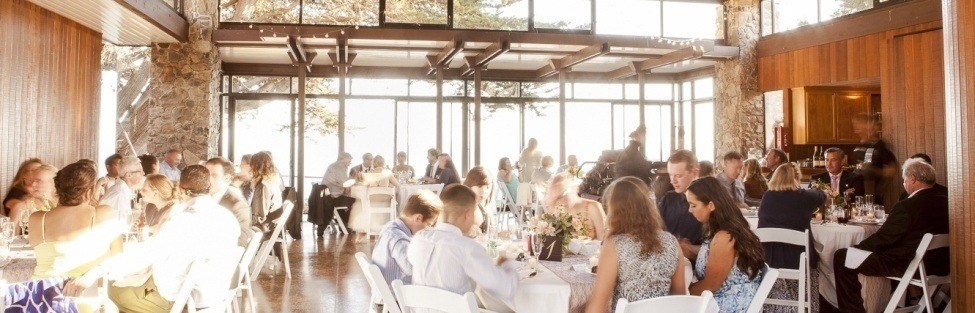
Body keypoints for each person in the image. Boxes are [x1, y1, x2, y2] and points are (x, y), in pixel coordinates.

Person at [64, 165, 241, 312]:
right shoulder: (228, 219)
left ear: (179, 188)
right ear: (209, 187)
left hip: (178, 301)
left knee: (110, 290)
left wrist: (96, 272)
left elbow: (147, 254)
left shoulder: (183, 220)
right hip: (215, 296)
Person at [833, 159, 949, 313]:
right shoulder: (947, 201)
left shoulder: (907, 206)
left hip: (909, 265)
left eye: (904, 180)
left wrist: (857, 248)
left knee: (842, 256)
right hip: (942, 265)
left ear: (913, 178)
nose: (904, 184)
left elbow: (884, 239)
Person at [406, 184, 519, 305]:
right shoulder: (468, 248)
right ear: (468, 214)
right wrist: (507, 264)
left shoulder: (419, 239)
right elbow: (507, 289)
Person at [586, 178, 685, 312]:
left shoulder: (615, 244)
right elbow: (679, 297)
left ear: (614, 210)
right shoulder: (671, 242)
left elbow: (597, 307)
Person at [686, 177, 766, 312]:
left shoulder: (724, 237)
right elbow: (712, 255)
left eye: (693, 205)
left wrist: (682, 291)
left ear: (711, 205)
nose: (690, 210)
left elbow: (711, 285)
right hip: (729, 300)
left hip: (727, 305)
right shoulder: (724, 229)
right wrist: (687, 249)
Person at [29, 163, 123, 279]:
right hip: (87, 293)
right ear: (90, 192)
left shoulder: (36, 219)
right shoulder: (104, 213)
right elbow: (118, 257)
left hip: (41, 293)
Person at [758, 163, 826, 269]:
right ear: (797, 177)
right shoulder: (805, 196)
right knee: (824, 260)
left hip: (768, 259)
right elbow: (823, 196)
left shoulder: (767, 196)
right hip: (797, 259)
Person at [371, 190, 442, 289]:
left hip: (386, 292)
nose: (428, 229)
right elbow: (412, 269)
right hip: (396, 296)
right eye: (429, 225)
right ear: (418, 218)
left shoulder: (390, 226)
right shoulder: (398, 238)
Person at [658, 150, 704, 260]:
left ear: (695, 173)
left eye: (678, 176)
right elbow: (655, 230)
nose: (672, 181)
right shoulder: (668, 199)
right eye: (670, 175)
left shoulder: (709, 203)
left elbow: (717, 247)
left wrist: (688, 248)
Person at [206, 157, 254, 247]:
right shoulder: (203, 198)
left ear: (227, 179)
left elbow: (241, 242)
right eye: (206, 175)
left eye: (214, 175)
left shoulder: (237, 205)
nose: (208, 179)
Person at [545, 173, 607, 240]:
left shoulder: (592, 207)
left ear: (573, 190)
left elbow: (604, 241)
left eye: (564, 194)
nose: (561, 201)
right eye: (557, 198)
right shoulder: (556, 212)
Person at [10, 164, 58, 232]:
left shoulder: (64, 205)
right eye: (32, 181)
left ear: (53, 184)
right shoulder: (21, 207)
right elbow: (10, 237)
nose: (33, 184)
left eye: (38, 181)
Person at [319, 153, 356, 237]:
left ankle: (343, 224)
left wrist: (346, 186)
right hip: (332, 197)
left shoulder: (333, 165)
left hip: (326, 196)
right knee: (354, 201)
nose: (350, 163)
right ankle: (345, 223)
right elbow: (345, 182)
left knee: (344, 202)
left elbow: (342, 183)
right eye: (349, 160)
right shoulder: (340, 166)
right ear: (344, 158)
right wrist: (354, 178)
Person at [99, 157, 144, 221]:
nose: (143, 174)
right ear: (128, 175)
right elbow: (118, 226)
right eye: (140, 171)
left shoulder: (123, 190)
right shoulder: (119, 194)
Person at [250, 152, 283, 233]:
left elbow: (259, 217)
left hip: (264, 228)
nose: (250, 169)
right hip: (273, 224)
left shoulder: (262, 186)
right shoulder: (273, 181)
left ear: (256, 166)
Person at [463, 167, 495, 235]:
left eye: (487, 187)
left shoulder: (484, 209)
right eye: (479, 186)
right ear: (470, 185)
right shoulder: (462, 208)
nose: (484, 191)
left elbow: (490, 235)